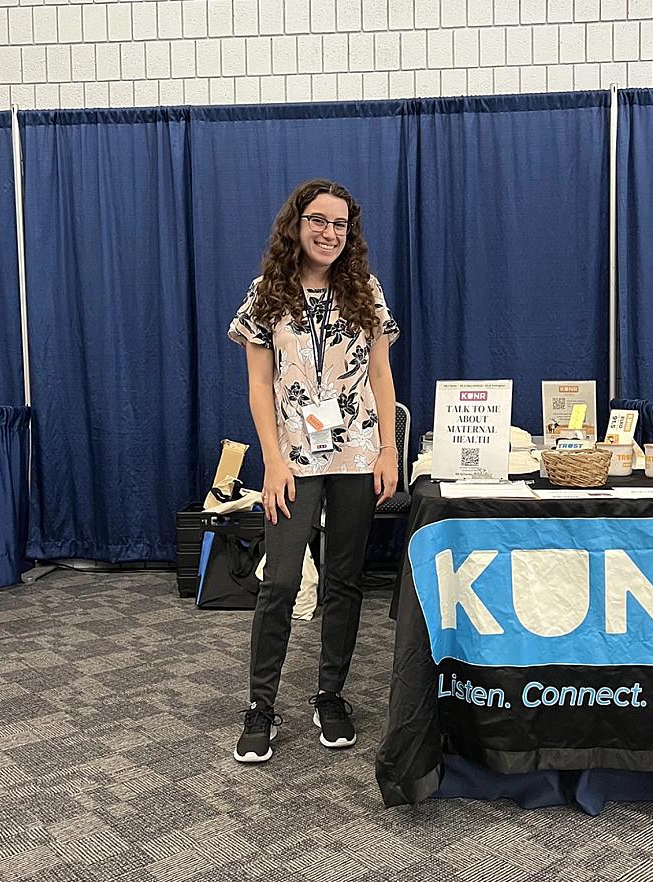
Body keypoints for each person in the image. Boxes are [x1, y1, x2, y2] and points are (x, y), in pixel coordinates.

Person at [227, 179, 400, 763]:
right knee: (280, 581)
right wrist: (272, 462)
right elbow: (258, 385)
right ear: (295, 225)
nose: (330, 233)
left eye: (341, 224)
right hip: (293, 461)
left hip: (356, 454)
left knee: (346, 579)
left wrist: (389, 450)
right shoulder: (266, 295)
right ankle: (261, 706)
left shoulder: (365, 291)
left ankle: (331, 694)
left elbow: (380, 375)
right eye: (319, 221)